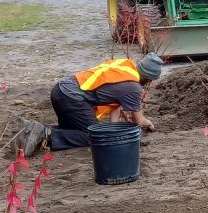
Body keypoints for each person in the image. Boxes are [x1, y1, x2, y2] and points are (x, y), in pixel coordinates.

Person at [11, 53, 163, 157]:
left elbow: (115, 106)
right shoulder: (133, 87)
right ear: (149, 78)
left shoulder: (125, 66)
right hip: (72, 98)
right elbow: (139, 121)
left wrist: (112, 131)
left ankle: (28, 129)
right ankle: (43, 134)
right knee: (94, 137)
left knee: (72, 131)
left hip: (60, 90)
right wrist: (148, 124)